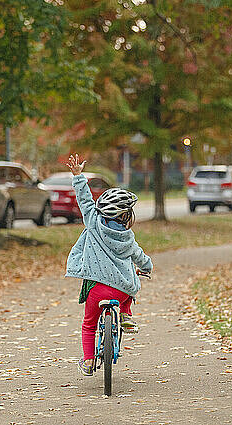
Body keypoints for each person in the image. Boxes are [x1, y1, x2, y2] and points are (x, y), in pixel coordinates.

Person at [64, 154, 153, 376]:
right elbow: (140, 257)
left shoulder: (93, 223)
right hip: (121, 291)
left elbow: (84, 199)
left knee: (89, 324)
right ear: (126, 216)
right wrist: (147, 267)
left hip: (95, 290)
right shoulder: (128, 238)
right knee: (131, 277)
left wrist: (78, 176)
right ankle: (125, 314)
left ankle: (87, 361)